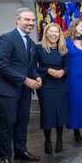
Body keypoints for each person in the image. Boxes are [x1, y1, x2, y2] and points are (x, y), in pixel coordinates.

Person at [0, 7, 42, 163]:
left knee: (22, 122)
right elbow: (2, 66)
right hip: (8, 90)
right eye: (27, 20)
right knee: (8, 123)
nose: (30, 23)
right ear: (17, 20)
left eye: (33, 20)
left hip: (24, 90)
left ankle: (21, 151)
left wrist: (36, 77)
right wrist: (25, 80)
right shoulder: (6, 39)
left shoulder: (31, 43)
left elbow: (31, 67)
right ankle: (5, 158)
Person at [35, 23, 69, 154]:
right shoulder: (39, 48)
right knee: (47, 113)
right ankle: (47, 139)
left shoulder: (63, 49)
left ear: (59, 34)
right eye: (51, 32)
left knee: (60, 112)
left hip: (60, 84)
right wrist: (47, 70)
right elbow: (34, 67)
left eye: (56, 32)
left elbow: (67, 66)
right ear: (46, 33)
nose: (54, 34)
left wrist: (62, 71)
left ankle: (59, 139)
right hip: (46, 85)